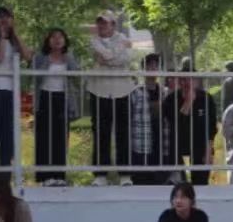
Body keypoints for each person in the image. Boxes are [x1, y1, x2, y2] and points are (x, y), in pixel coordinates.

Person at [0, 6, 33, 167]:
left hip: (10, 90)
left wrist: (14, 34)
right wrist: (2, 36)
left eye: (7, 17)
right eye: (0, 17)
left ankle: (5, 172)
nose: (4, 20)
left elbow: (27, 56)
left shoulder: (15, 40)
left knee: (8, 133)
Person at [87, 10, 134, 187]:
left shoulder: (123, 38)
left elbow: (123, 59)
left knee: (123, 133)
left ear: (113, 25)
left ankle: (125, 175)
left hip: (122, 91)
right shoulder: (93, 40)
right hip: (98, 91)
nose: (101, 25)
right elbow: (110, 57)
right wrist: (116, 52)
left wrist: (108, 57)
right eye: (99, 22)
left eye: (105, 22)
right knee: (101, 133)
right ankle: (100, 175)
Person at [31, 29, 80, 186]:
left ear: (65, 40)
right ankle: (45, 177)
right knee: (44, 138)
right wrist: (49, 61)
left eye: (60, 37)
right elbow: (36, 77)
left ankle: (59, 176)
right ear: (48, 40)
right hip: (44, 98)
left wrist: (68, 59)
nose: (57, 40)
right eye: (53, 37)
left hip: (62, 98)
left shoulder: (69, 56)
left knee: (61, 138)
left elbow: (76, 75)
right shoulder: (41, 56)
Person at [163, 70, 218, 185]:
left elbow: (211, 127)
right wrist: (188, 102)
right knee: (177, 184)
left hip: (200, 146)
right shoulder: (171, 99)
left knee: (200, 183)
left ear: (197, 81)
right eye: (184, 79)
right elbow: (175, 124)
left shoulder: (206, 98)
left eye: (192, 79)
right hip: (177, 147)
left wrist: (208, 151)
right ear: (179, 82)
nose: (188, 82)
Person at [130, 53, 169, 185]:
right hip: (141, 144)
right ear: (143, 69)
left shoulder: (165, 92)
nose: (153, 68)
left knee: (159, 182)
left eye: (156, 66)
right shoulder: (136, 92)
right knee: (140, 181)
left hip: (161, 142)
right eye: (150, 65)